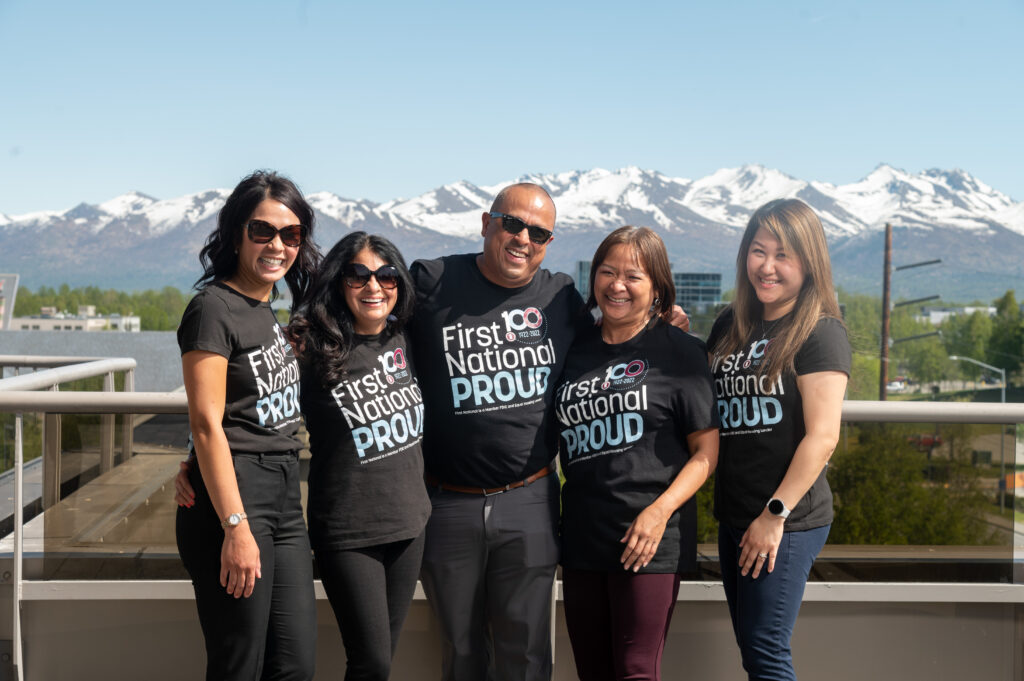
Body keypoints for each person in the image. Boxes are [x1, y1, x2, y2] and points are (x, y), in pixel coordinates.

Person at [408, 183, 587, 680]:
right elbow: (364, 330)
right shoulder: (431, 281)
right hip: (446, 502)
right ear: (487, 223)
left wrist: (666, 328)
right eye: (512, 223)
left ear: (549, 243)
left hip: (528, 497)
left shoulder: (561, 298)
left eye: (539, 232)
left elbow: (616, 346)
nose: (523, 238)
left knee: (526, 654)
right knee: (461, 652)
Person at [555, 226, 719, 681]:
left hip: (650, 537)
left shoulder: (681, 353)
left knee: (636, 670)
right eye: (607, 272)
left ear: (657, 287)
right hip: (584, 534)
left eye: (634, 276)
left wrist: (659, 512)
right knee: (593, 670)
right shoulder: (574, 348)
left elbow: (706, 452)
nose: (617, 285)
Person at [175, 170, 321, 681]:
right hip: (238, 501)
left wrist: (187, 460)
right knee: (241, 665)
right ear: (237, 231)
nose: (277, 244)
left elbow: (238, 405)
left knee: (295, 663)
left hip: (283, 496)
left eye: (291, 234)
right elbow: (208, 423)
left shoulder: (271, 312)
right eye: (262, 231)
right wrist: (234, 526)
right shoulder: (212, 309)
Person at [706, 198, 850, 681]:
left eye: (783, 255)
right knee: (752, 648)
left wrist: (774, 515)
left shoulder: (819, 331)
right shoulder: (731, 325)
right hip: (735, 514)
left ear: (809, 263)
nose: (767, 267)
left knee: (766, 650)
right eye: (758, 251)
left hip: (785, 519)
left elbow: (823, 437)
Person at [288, 232, 431, 680]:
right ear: (339, 281)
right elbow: (249, 403)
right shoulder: (308, 347)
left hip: (409, 526)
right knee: (369, 661)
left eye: (387, 275)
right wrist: (195, 454)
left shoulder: (409, 341)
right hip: (348, 533)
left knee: (382, 661)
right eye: (359, 275)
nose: (374, 286)